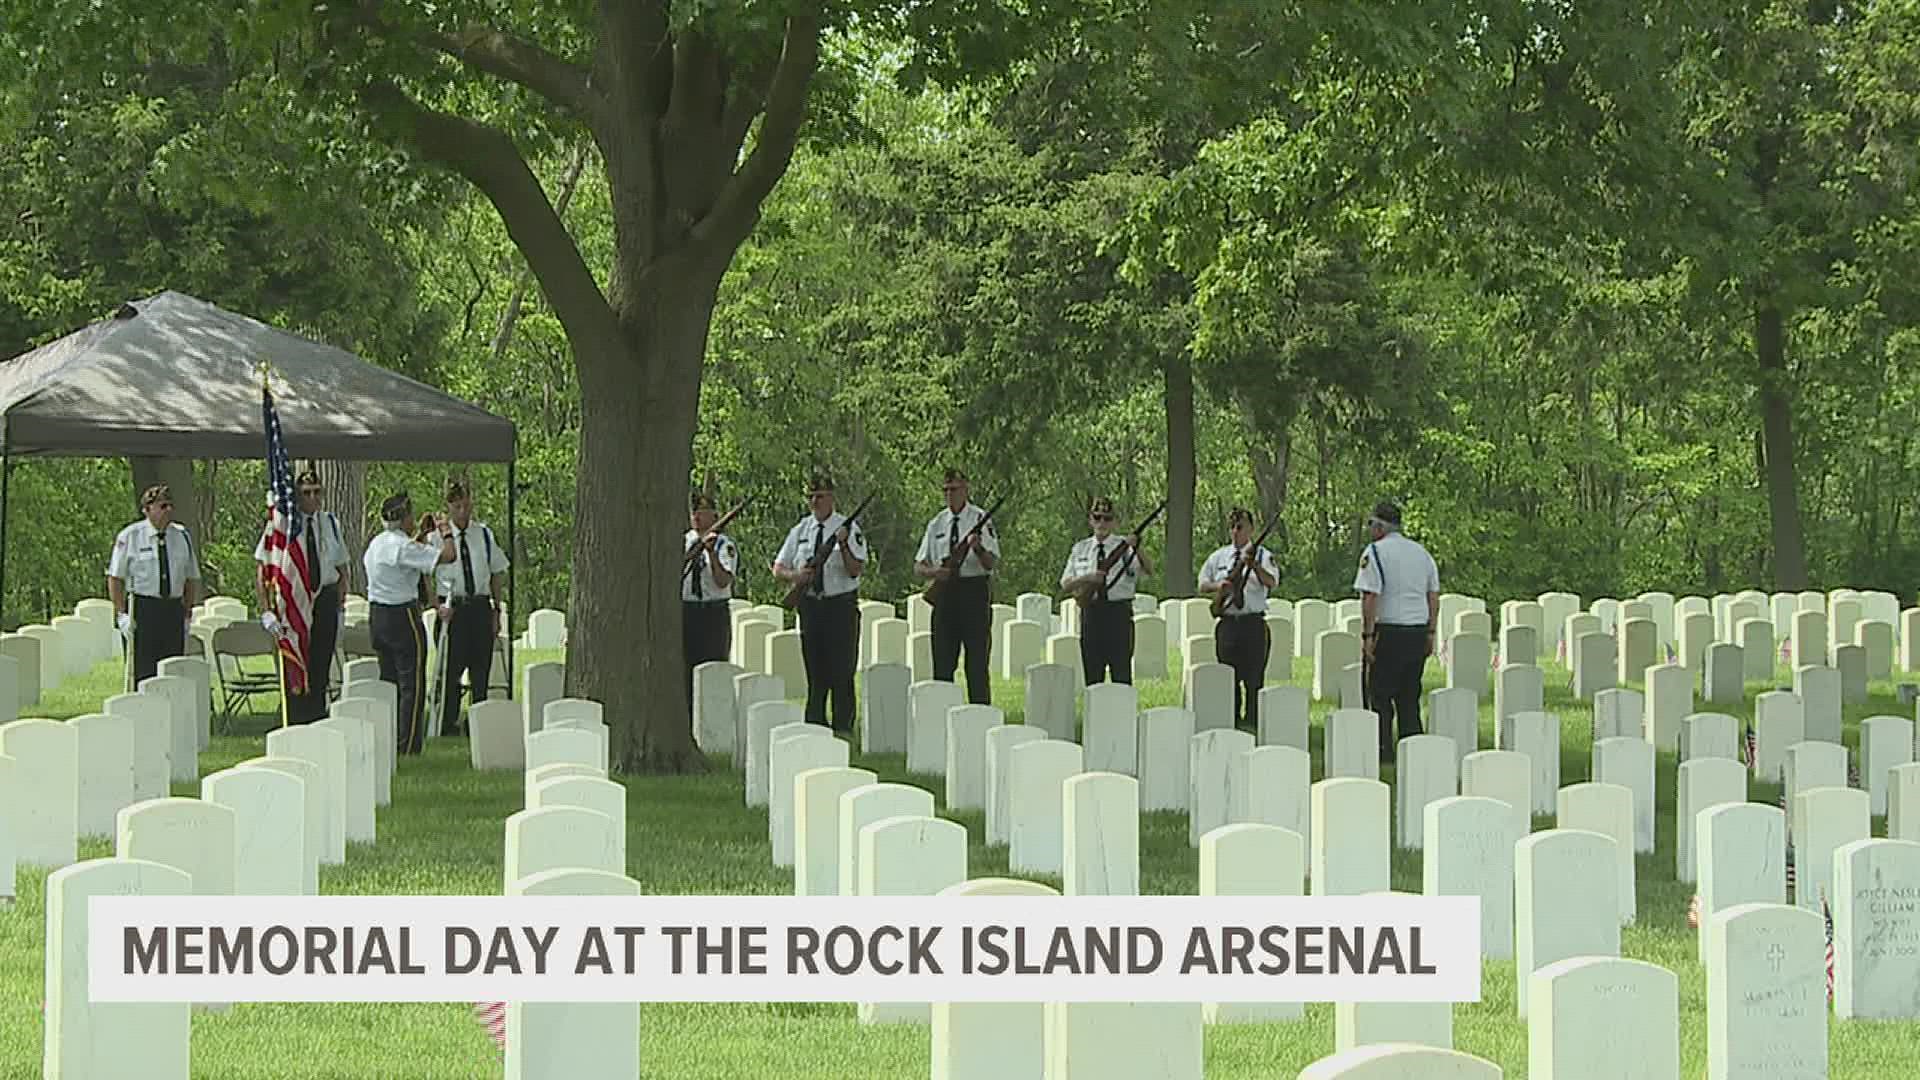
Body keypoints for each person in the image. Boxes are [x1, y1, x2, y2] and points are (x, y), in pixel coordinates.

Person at [254, 465, 351, 724]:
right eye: (306, 493)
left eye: (317, 492)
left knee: (321, 666)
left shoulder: (330, 523)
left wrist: (341, 607)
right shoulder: (282, 526)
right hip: (295, 601)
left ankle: (317, 719)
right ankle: (297, 721)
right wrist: (266, 610)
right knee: (297, 663)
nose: (313, 498)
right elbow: (263, 570)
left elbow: (342, 569)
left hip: (325, 599)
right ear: (296, 495)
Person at [773, 471, 867, 734]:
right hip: (811, 607)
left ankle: (843, 727)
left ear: (831, 498)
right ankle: (814, 725)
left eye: (821, 496)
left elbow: (855, 569)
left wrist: (845, 544)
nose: (816, 501)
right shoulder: (801, 530)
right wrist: (796, 576)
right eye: (811, 497)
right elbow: (778, 567)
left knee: (842, 670)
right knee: (815, 670)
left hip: (840, 607)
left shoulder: (848, 529)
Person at [363, 492, 456, 756]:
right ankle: (408, 745)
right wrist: (445, 530)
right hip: (401, 616)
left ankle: (389, 738)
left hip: (377, 615)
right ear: (404, 518)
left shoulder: (377, 544)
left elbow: (404, 561)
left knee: (389, 681)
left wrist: (421, 538)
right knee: (411, 683)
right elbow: (448, 556)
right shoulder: (404, 547)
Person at [1355, 500, 1440, 760]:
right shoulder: (1421, 553)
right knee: (1408, 694)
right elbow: (1433, 595)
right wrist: (1431, 632)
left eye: (1371, 524)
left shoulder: (1374, 553)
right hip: (1416, 630)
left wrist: (1368, 636)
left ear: (1380, 526)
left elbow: (1370, 596)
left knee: (1380, 694)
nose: (1370, 529)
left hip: (1388, 631)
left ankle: (1383, 749)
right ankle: (1412, 747)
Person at [914, 468, 1000, 703]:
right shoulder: (937, 523)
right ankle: (941, 714)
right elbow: (919, 566)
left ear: (966, 489)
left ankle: (979, 713)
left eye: (955, 489)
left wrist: (978, 548)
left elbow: (991, 562)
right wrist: (936, 572)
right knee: (942, 663)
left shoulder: (980, 519)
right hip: (945, 595)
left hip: (973, 593)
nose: (950, 494)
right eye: (946, 490)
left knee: (977, 664)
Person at [432, 479, 510, 737]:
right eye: (457, 507)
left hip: (478, 607)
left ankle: (478, 722)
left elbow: (497, 571)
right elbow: (424, 575)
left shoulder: (484, 534)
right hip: (452, 609)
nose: (463, 512)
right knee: (451, 668)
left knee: (480, 668)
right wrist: (436, 605)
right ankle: (448, 722)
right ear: (449, 507)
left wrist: (496, 610)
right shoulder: (437, 538)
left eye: (466, 505)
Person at [107, 484, 201, 685]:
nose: (168, 510)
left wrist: (187, 612)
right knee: (143, 672)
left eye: (170, 506)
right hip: (144, 609)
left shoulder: (182, 536)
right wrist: (121, 614)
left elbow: (191, 577)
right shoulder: (130, 536)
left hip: (172, 609)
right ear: (147, 509)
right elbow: (115, 578)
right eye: (162, 506)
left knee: (172, 671)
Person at [1199, 508, 1277, 731]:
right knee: (1228, 678)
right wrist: (1219, 586)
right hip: (1229, 624)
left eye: (1240, 526)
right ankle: (1231, 722)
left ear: (1251, 529)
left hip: (1252, 623)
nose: (1236, 531)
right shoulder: (1219, 557)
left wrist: (1253, 566)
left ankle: (1253, 722)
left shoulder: (1263, 555)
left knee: (1254, 679)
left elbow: (1272, 582)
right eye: (1232, 527)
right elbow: (1202, 584)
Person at [1059, 496, 1151, 686]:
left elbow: (1149, 571)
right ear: (1091, 520)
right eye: (1098, 517)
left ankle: (1122, 715)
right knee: (1093, 676)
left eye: (1107, 518)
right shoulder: (1081, 548)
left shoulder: (1124, 548)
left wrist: (1137, 548)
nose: (1102, 523)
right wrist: (1089, 578)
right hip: (1091, 614)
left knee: (1121, 675)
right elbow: (1066, 584)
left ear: (1115, 522)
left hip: (1118, 614)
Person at [682, 491, 738, 707]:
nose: (697, 516)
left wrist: (711, 553)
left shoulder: (725, 545)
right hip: (687, 612)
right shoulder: (683, 542)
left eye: (702, 512)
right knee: (686, 669)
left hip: (713, 614)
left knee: (715, 668)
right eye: (694, 512)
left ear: (714, 516)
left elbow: (723, 581)